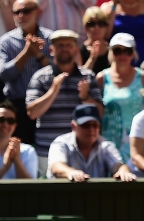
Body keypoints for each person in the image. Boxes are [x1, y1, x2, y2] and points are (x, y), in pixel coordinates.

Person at [26, 29, 102, 172]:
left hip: (80, 153)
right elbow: (32, 113)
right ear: (51, 50)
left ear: (75, 49)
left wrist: (86, 97)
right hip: (46, 151)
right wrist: (53, 90)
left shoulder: (88, 76)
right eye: (60, 45)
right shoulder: (40, 77)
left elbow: (100, 113)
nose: (65, 49)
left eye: (69, 45)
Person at [0, 0, 52, 145]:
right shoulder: (6, 41)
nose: (21, 16)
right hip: (17, 106)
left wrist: (38, 55)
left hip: (45, 105)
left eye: (26, 11)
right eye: (17, 12)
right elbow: (4, 75)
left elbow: (57, 73)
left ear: (37, 12)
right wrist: (26, 53)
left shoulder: (51, 38)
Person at [47, 103, 136, 181]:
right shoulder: (61, 143)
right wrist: (71, 173)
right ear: (73, 126)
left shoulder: (105, 146)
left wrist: (124, 172)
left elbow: (118, 166)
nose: (91, 130)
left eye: (95, 125)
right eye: (85, 125)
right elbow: (56, 167)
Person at [97, 33, 144, 163]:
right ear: (111, 53)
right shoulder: (101, 78)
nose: (122, 55)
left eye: (127, 51)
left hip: (139, 141)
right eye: (117, 51)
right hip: (110, 143)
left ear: (133, 53)